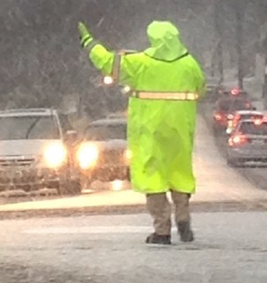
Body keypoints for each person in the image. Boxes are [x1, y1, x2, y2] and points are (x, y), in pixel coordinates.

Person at [78, 20, 205, 245]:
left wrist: (90, 43)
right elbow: (200, 88)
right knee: (180, 174)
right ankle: (183, 219)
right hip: (180, 131)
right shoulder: (189, 64)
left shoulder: (141, 63)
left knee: (153, 178)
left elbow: (108, 62)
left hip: (151, 130)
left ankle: (162, 229)